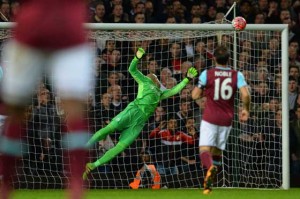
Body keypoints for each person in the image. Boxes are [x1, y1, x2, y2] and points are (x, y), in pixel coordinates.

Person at [0, 1, 94, 199]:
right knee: (74, 110)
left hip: (30, 26)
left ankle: (6, 185)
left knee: (15, 112)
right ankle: (76, 185)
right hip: (70, 29)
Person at [83, 48, 198, 180]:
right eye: (152, 75)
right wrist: (137, 58)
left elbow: (173, 91)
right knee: (109, 129)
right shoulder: (144, 81)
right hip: (133, 110)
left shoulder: (160, 93)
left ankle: (93, 165)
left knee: (121, 146)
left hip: (139, 122)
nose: (153, 75)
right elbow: (132, 69)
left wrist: (186, 79)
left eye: (154, 76)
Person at [191, 45, 250, 194]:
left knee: (204, 149)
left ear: (214, 58)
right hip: (227, 118)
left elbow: (194, 95)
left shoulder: (207, 73)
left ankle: (209, 168)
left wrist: (205, 92)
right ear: (228, 59)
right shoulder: (237, 75)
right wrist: (245, 109)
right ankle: (210, 182)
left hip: (210, 116)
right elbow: (246, 95)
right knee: (217, 151)